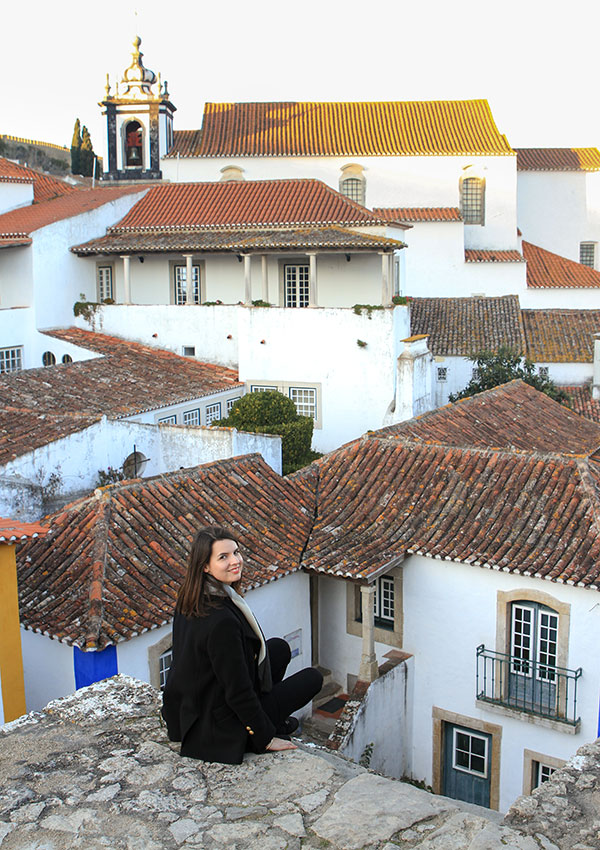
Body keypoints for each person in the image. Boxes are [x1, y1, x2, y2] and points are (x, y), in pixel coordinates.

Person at [161, 525, 323, 764]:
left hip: (193, 707)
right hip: (219, 723)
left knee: (278, 648)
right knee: (312, 679)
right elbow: (237, 691)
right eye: (223, 557)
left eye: (236, 552)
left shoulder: (192, 598)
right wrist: (265, 736)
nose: (235, 561)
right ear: (205, 566)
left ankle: (273, 718)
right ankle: (269, 724)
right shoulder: (221, 622)